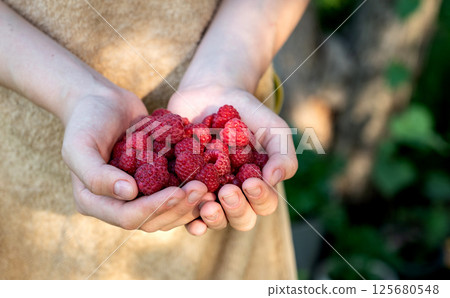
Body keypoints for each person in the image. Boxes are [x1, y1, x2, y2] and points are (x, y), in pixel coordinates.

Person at [0, 0, 307, 279]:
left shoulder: (214, 152)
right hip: (25, 178)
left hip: (228, 218)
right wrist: (76, 92)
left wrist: (227, 73)